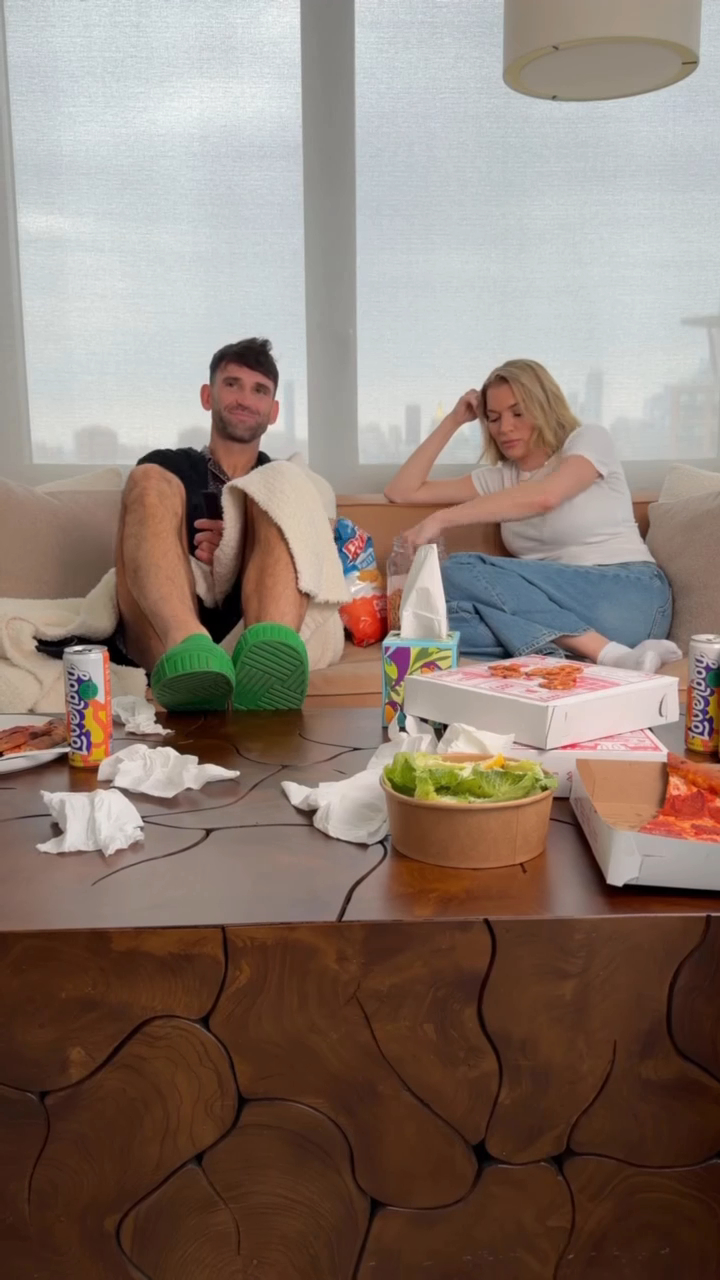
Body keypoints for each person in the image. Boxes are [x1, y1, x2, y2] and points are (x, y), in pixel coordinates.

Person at [385, 359, 681, 672]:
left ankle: (609, 655)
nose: (505, 428)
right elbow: (402, 490)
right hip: (570, 616)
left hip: (629, 596)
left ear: (544, 407)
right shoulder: (500, 478)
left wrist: (440, 519)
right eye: (493, 418)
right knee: (430, 624)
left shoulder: (587, 442)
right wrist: (454, 420)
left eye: (518, 412)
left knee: (457, 569)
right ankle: (587, 652)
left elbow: (545, 496)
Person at [116, 337, 310, 712]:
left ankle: (271, 656)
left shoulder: (280, 479)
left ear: (273, 411)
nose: (244, 398)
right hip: (165, 633)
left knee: (285, 484)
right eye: (232, 384)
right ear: (208, 396)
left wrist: (238, 543)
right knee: (146, 479)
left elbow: (316, 551)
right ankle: (190, 649)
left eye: (259, 390)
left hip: (249, 628)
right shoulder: (169, 466)